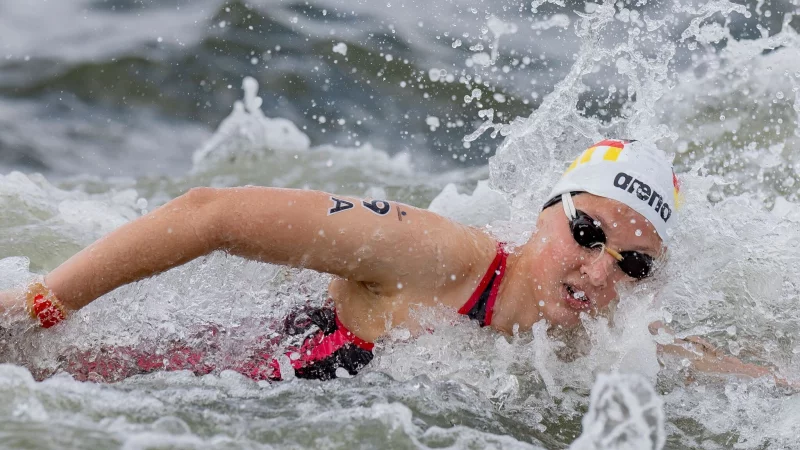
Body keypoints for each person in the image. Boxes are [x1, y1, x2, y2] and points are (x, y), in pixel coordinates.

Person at [0, 139, 786, 384]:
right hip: (155, 379)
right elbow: (212, 213)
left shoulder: (598, 347)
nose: (601, 271)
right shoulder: (439, 255)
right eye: (585, 233)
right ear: (542, 215)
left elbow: (709, 368)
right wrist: (37, 306)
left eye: (634, 265)